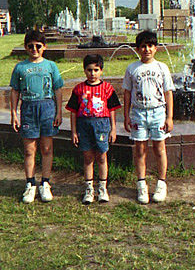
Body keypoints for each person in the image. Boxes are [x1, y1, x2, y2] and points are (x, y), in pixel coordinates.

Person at [10, 29, 64, 203]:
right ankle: (30, 184)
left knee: (46, 148)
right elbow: (15, 91)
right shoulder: (20, 67)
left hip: (47, 108)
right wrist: (14, 113)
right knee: (29, 149)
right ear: (26, 47)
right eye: (31, 46)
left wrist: (59, 112)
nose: (34, 49)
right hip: (28, 109)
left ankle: (45, 183)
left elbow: (58, 89)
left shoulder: (51, 66)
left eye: (38, 46)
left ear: (44, 47)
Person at [123, 30, 175, 204]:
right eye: (143, 46)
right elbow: (127, 93)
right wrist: (126, 116)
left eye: (150, 46)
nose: (147, 49)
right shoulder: (132, 68)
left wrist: (169, 117)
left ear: (156, 48)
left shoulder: (162, 67)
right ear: (138, 49)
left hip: (158, 112)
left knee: (159, 148)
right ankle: (141, 184)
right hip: (138, 113)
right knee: (140, 150)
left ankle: (161, 183)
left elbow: (168, 93)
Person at [66, 54, 121, 204]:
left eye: (96, 70)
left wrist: (113, 129)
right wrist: (74, 131)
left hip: (102, 125)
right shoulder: (79, 89)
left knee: (102, 156)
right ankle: (89, 189)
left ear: (101, 70)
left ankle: (102, 188)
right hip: (84, 126)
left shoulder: (107, 89)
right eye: (89, 70)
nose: (92, 73)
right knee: (88, 157)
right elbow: (73, 112)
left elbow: (112, 110)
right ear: (84, 70)